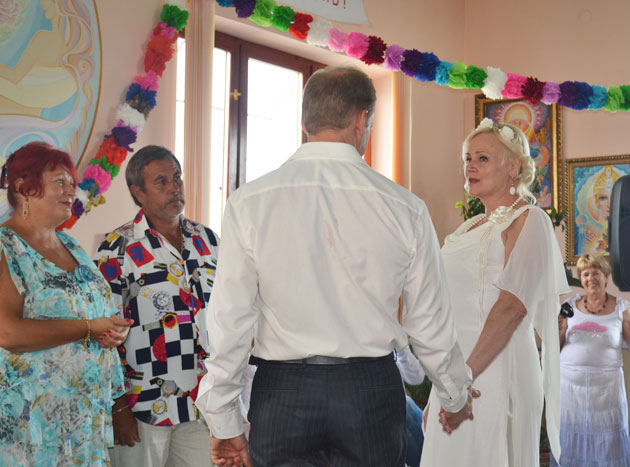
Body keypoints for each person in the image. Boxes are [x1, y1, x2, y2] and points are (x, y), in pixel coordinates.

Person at [195, 66, 476, 467]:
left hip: (282, 394)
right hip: (369, 393)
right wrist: (454, 395)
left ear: (305, 121)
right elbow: (429, 324)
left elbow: (230, 319)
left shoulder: (249, 202)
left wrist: (223, 417)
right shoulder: (404, 208)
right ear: (362, 120)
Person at [421, 117, 569, 467]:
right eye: (467, 158)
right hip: (457, 374)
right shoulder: (469, 227)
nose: (470, 166)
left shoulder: (529, 220)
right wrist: (441, 391)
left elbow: (512, 307)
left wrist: (463, 380)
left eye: (483, 158)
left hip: (498, 367)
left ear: (513, 167)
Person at [0, 141, 131, 466]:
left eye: (72, 183)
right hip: (31, 426)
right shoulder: (6, 247)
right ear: (23, 187)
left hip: (84, 422)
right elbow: (7, 332)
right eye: (60, 182)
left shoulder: (71, 245)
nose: (71, 190)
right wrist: (87, 328)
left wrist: (112, 332)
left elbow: (96, 313)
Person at [93, 145, 220, 467]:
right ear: (138, 192)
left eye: (177, 177)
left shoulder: (208, 240)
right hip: (143, 404)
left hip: (202, 401)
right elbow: (101, 334)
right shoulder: (117, 248)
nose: (175, 187)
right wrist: (118, 406)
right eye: (161, 181)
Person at [553, 254, 630, 466]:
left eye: (596, 273)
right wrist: (559, 326)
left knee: (608, 448)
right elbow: (555, 349)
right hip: (570, 393)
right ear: (581, 279)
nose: (591, 278)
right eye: (585, 274)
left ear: (606, 276)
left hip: (607, 394)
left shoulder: (622, 309)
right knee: (570, 445)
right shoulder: (568, 306)